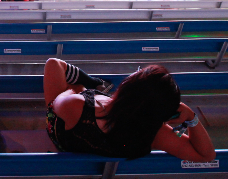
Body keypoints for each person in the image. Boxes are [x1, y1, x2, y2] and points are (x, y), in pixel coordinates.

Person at [43, 58, 215, 162]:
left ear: (128, 87)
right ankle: (94, 84)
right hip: (100, 150)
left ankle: (92, 83)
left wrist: (77, 90)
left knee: (54, 65)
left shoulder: (76, 105)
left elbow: (57, 103)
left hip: (63, 139)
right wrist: (191, 118)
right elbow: (206, 155)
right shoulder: (153, 134)